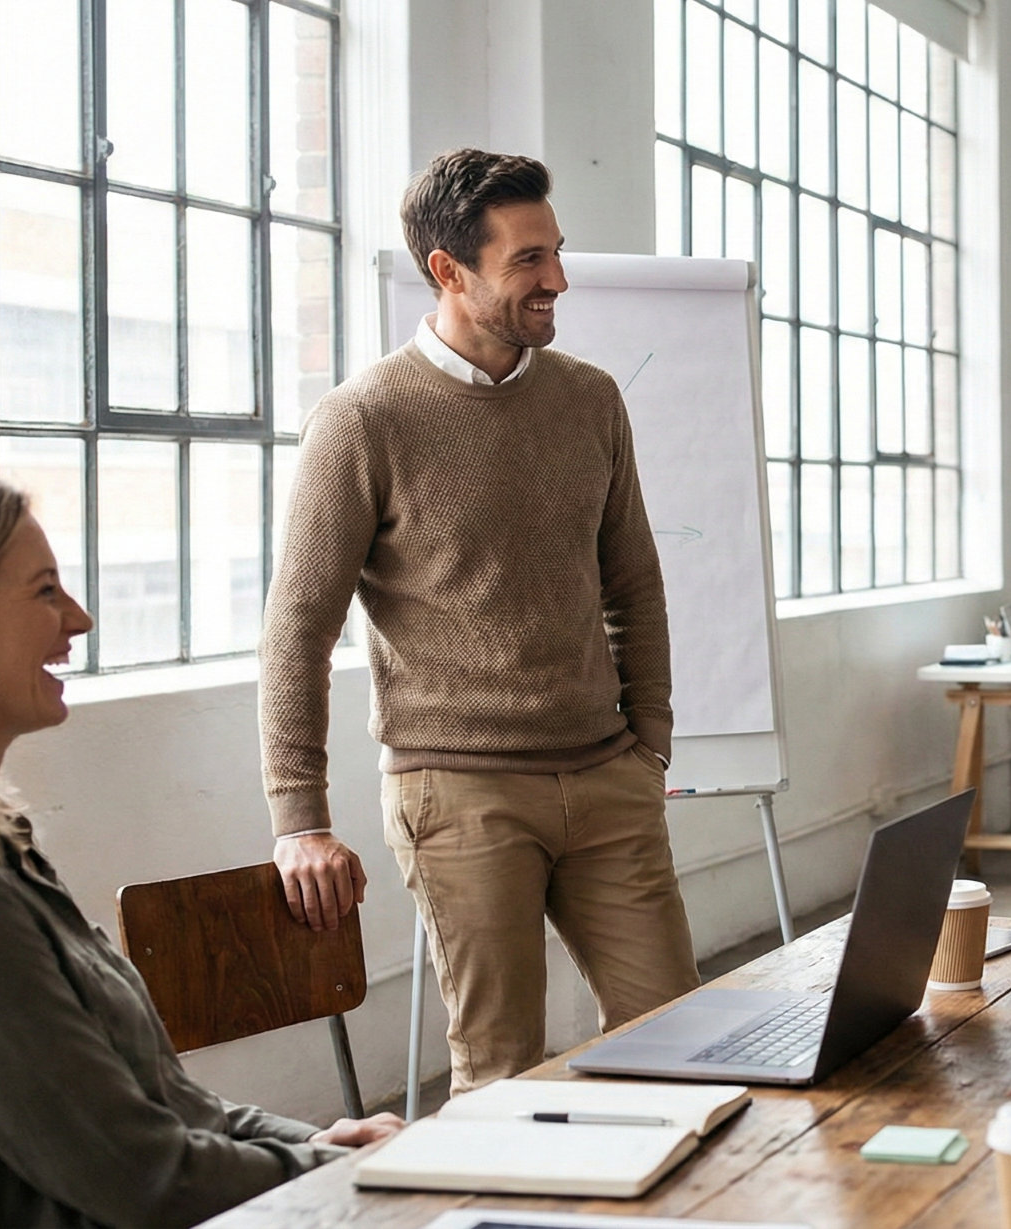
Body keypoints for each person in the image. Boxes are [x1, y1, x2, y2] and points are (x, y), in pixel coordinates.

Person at [260, 149, 698, 1095]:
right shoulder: (362, 419)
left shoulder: (589, 399)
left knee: (682, 1044)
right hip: (458, 794)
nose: (558, 279)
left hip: (607, 775)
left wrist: (648, 740)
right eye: (528, 260)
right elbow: (299, 623)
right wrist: (298, 815)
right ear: (448, 270)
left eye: (556, 252)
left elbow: (634, 582)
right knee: (502, 1072)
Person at [0, 468, 403, 1227]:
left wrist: (324, 1142)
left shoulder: (1, 849)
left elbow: (172, 1104)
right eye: (45, 591)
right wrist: (342, 1169)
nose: (80, 620)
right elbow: (143, 1178)